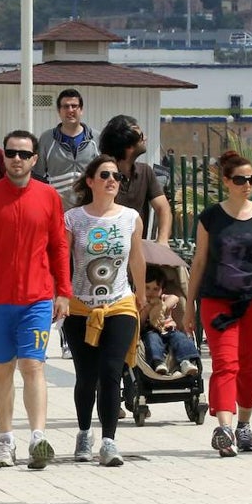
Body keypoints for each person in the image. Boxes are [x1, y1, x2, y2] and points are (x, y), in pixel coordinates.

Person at [0, 131, 71, 470]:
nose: (16, 159)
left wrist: (62, 292)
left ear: (35, 159)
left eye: (24, 154)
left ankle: (38, 436)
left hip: (37, 298)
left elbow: (58, 246)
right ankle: (6, 439)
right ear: (3, 157)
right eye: (11, 153)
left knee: (33, 365)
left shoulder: (49, 198)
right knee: (3, 367)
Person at [186, 150, 252, 456]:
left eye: (251, 179)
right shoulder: (211, 217)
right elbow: (200, 260)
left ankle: (244, 424)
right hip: (217, 301)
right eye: (239, 179)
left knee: (249, 364)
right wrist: (190, 302)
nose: (246, 185)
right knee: (225, 364)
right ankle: (224, 428)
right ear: (226, 181)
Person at [62, 155, 145, 467]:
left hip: (120, 304)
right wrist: (60, 293)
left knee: (111, 373)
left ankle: (109, 441)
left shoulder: (131, 217)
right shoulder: (73, 218)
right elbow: (62, 258)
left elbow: (137, 258)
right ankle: (84, 433)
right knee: (87, 375)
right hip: (81, 306)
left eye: (117, 177)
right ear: (91, 181)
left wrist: (141, 294)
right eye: (106, 175)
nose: (113, 180)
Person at [98, 115, 172, 243]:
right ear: (129, 145)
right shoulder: (101, 175)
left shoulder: (145, 172)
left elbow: (163, 208)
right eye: (141, 136)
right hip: (107, 249)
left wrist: (163, 240)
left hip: (137, 252)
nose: (146, 139)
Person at [38, 89, 98, 209]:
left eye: (74, 106)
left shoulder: (96, 138)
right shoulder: (47, 139)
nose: (70, 110)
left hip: (89, 210)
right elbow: (38, 176)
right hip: (56, 210)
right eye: (65, 106)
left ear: (81, 110)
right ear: (59, 111)